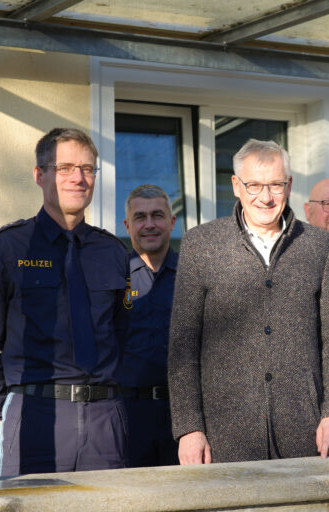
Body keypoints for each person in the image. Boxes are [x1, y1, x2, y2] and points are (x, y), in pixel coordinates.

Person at [168, 139, 329, 464]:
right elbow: (183, 348)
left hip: (305, 433)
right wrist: (189, 428)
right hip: (223, 436)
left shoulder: (318, 246)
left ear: (290, 186)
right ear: (236, 186)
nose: (265, 197)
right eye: (254, 185)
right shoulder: (201, 244)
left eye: (275, 185)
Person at [0, 128, 130, 476]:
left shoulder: (113, 251)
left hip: (104, 421)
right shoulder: (7, 248)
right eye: (65, 167)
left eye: (88, 169)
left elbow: (121, 335)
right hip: (36, 414)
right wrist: (9, 400)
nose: (79, 178)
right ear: (40, 175)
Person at [117, 184, 178, 467]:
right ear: (128, 225)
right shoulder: (114, 280)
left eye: (157, 215)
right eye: (140, 217)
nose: (150, 224)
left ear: (172, 221)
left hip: (183, 415)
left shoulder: (193, 275)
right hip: (128, 415)